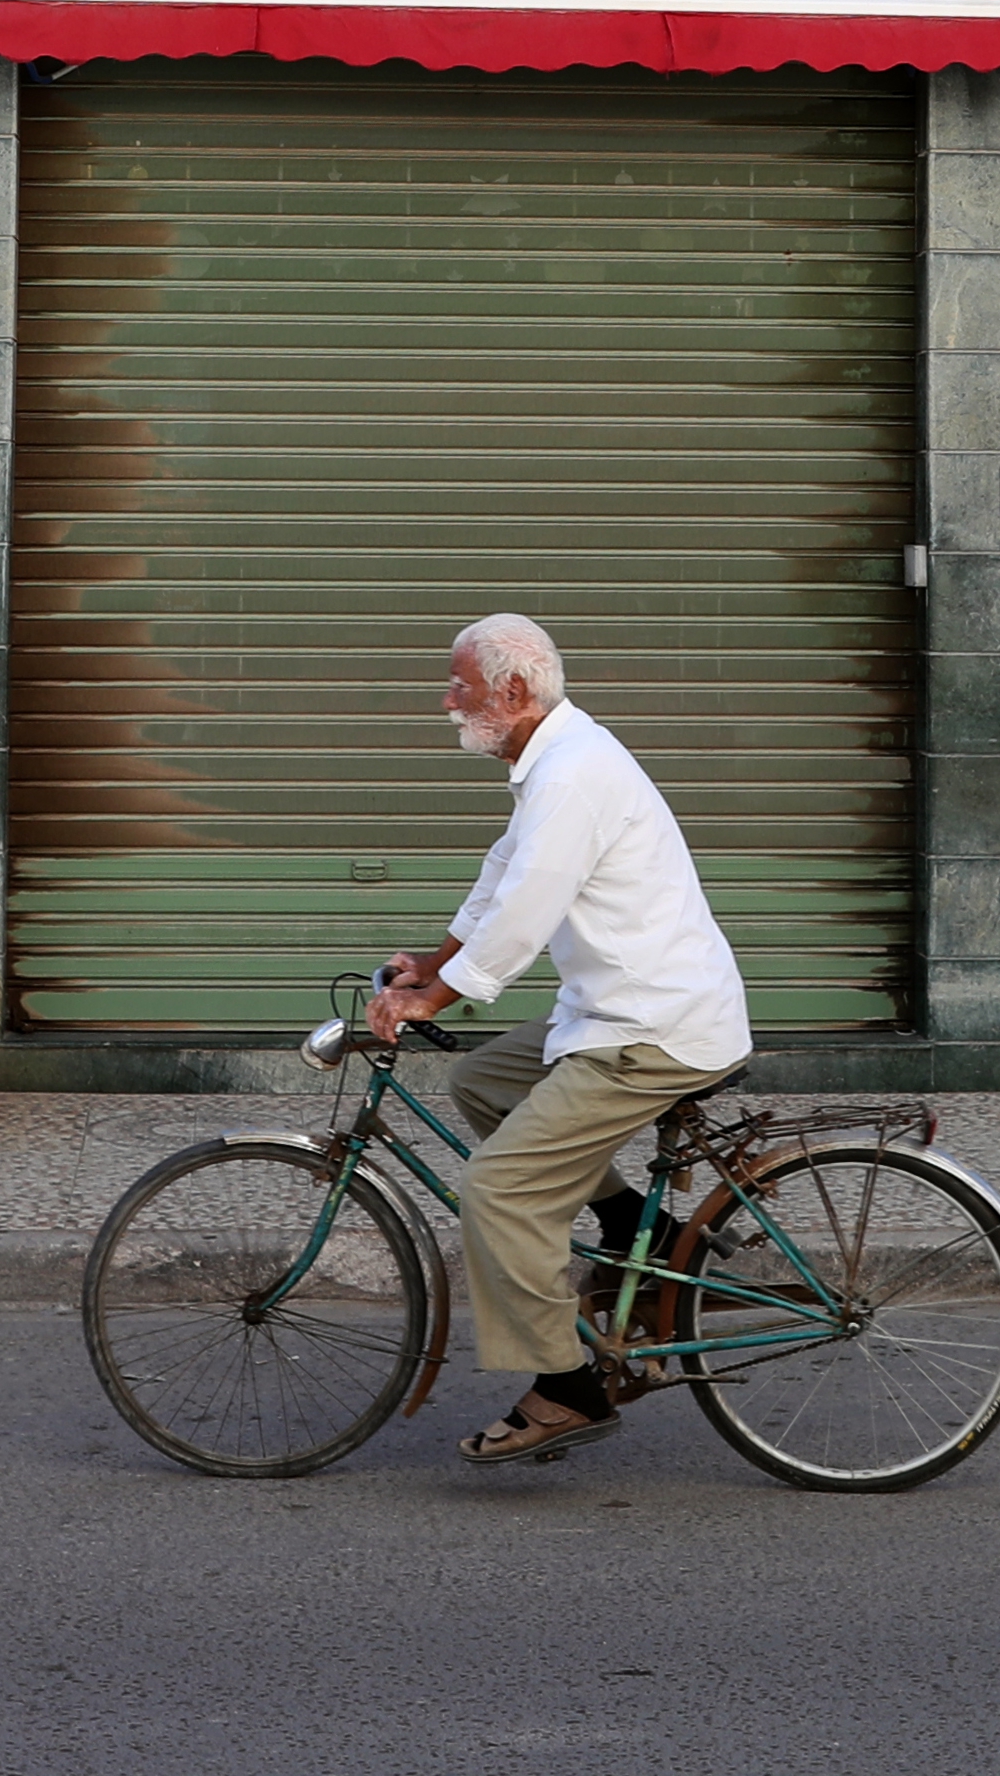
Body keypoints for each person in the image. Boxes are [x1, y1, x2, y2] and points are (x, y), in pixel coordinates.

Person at [365, 611, 752, 1466]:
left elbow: (528, 910)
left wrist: (438, 999)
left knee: (501, 1190)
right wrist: (429, 965)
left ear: (512, 691)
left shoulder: (572, 774)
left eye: (459, 685)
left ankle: (566, 1388)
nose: (447, 700)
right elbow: (500, 881)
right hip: (621, 1007)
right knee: (482, 1082)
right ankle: (624, 1224)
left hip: (653, 1029)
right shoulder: (553, 764)